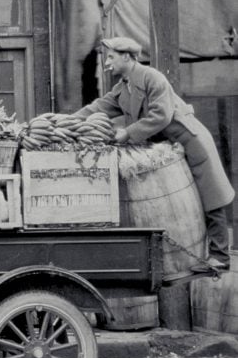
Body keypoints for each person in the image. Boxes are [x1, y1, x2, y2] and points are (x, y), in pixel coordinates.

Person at [73, 37, 235, 270]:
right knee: (186, 200)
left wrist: (127, 133)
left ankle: (220, 257)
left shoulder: (153, 78)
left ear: (127, 57)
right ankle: (198, 255)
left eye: (111, 57)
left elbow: (161, 116)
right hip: (171, 147)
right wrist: (67, 121)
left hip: (191, 140)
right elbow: (97, 107)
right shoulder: (123, 87)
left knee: (211, 197)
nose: (107, 62)